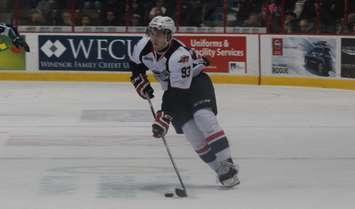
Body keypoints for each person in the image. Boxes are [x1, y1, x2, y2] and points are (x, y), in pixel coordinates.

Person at [129, 16, 239, 187]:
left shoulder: (179, 56)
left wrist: (164, 115)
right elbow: (135, 65)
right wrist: (138, 80)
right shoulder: (143, 46)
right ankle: (220, 170)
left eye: (159, 34)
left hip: (196, 84)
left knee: (203, 117)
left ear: (169, 36)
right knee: (192, 134)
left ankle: (228, 163)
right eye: (152, 33)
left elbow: (178, 93)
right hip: (173, 90)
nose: (154, 38)